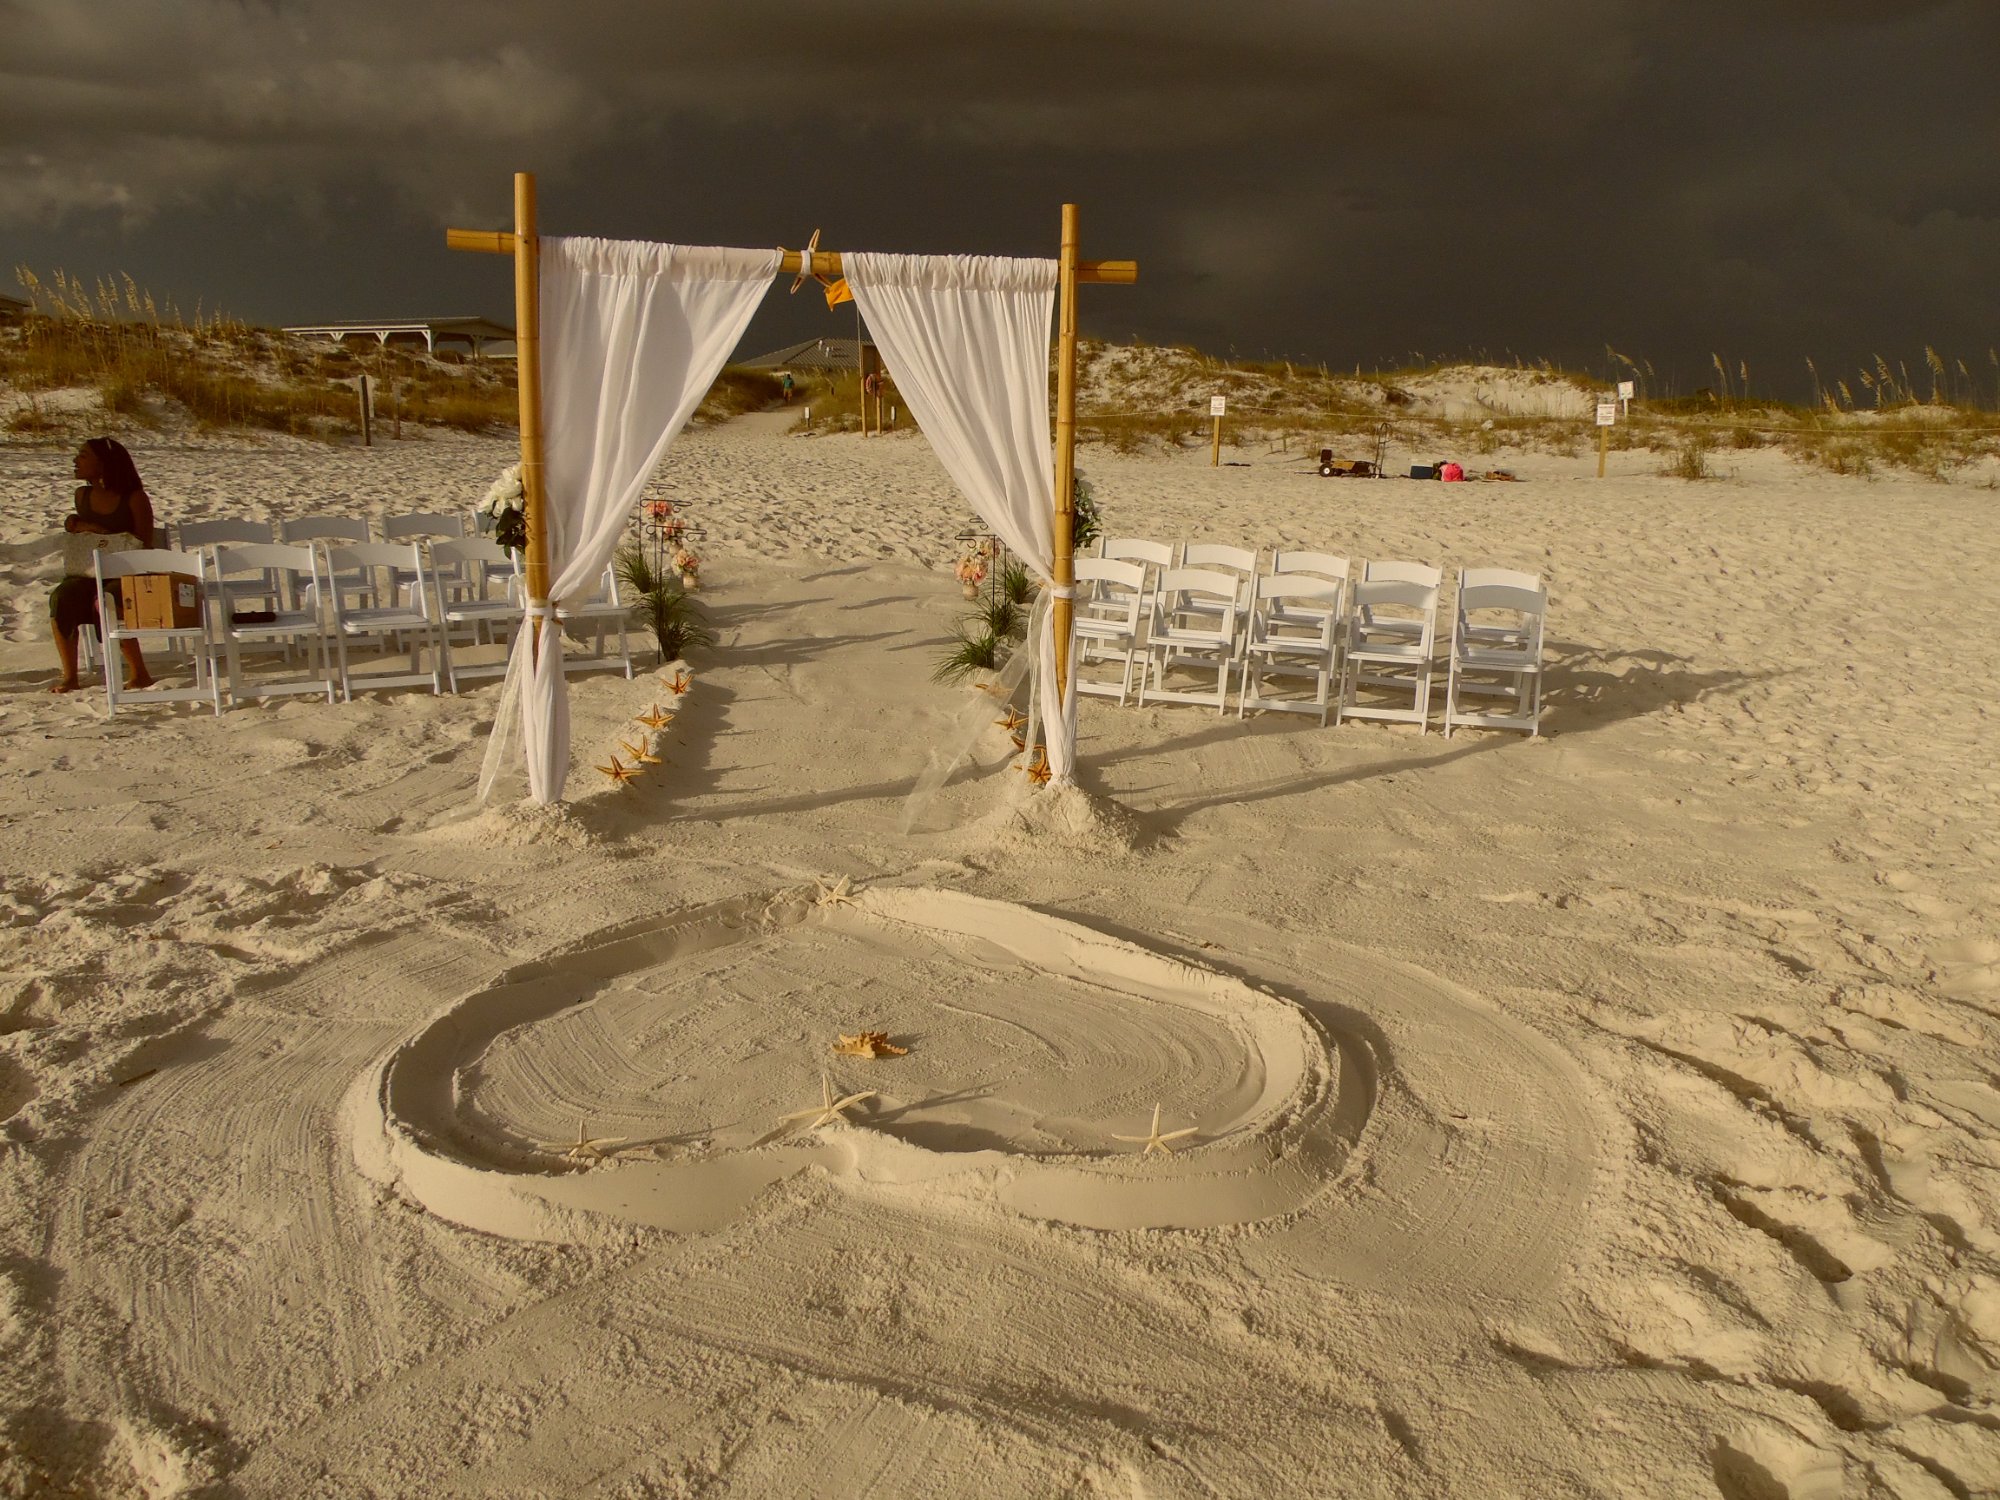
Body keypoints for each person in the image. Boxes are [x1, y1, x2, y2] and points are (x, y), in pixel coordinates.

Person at [50, 437, 155, 694]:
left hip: (127, 570)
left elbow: (143, 543)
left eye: (83, 455)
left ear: (103, 463)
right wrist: (75, 523)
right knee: (62, 596)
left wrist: (102, 531)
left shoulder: (134, 497)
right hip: (88, 570)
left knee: (107, 597)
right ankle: (70, 676)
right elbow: (81, 531)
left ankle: (139, 672)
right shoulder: (82, 495)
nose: (76, 460)